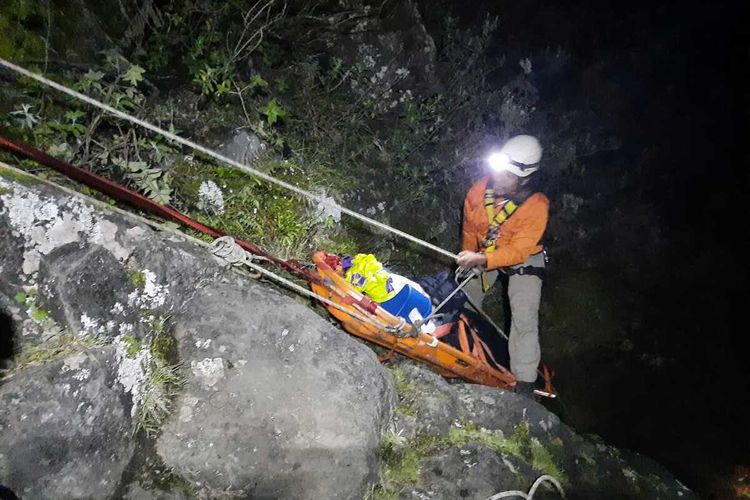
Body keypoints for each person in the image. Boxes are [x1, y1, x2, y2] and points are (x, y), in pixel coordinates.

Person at [455, 135, 549, 398]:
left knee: (525, 315)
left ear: (525, 178)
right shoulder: (478, 191)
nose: (499, 179)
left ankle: (526, 384)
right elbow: (470, 228)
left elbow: (519, 250)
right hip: (486, 251)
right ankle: (461, 342)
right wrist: (470, 257)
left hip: (524, 258)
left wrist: (483, 260)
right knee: (465, 295)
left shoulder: (536, 205)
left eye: (508, 176)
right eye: (499, 172)